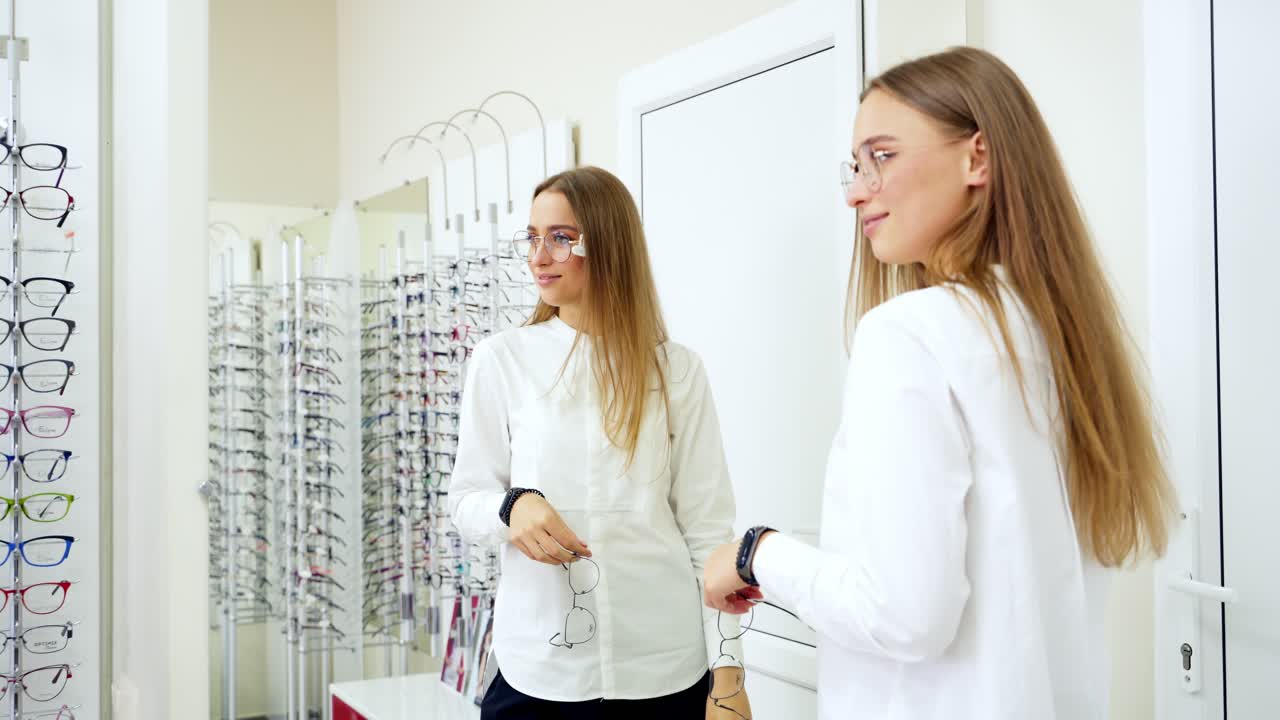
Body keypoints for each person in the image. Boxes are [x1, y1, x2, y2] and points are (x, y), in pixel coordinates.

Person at [702, 47, 1177, 719]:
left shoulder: (909, 334)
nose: (856, 192)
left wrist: (757, 554)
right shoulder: (1061, 340)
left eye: (883, 156)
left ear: (977, 159)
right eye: (855, 166)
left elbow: (904, 616)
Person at [450, 166, 750, 719]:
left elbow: (708, 531)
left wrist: (728, 673)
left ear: (609, 244)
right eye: (532, 238)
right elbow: (466, 498)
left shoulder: (676, 370)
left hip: (664, 669)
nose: (539, 257)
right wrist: (512, 507)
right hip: (538, 671)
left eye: (561, 238)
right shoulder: (502, 360)